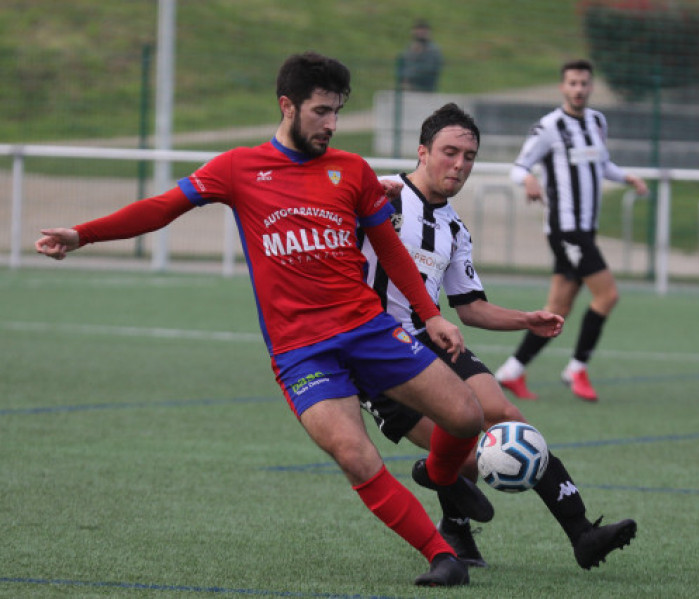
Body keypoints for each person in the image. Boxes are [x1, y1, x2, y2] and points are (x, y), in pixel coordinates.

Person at [33, 52, 493, 588]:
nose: (331, 124)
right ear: (287, 105)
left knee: (465, 416)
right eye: (321, 111)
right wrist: (82, 233)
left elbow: (389, 249)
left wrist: (431, 316)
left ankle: (441, 478)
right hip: (301, 350)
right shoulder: (237, 169)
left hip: (369, 329)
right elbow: (161, 207)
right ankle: (443, 556)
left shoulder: (353, 171)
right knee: (355, 456)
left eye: (338, 112)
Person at [358, 103, 638, 570]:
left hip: (429, 339)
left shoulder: (453, 227)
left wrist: (525, 319)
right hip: (374, 353)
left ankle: (583, 533)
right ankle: (452, 517)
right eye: (450, 152)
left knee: (508, 418)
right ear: (422, 152)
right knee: (465, 458)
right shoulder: (380, 195)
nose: (461, 164)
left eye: (469, 155)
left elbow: (468, 307)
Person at [495, 59, 648, 402]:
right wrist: (530, 179)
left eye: (584, 83)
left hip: (585, 230)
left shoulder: (596, 121)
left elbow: (602, 162)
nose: (579, 89)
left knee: (557, 310)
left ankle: (511, 371)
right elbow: (518, 168)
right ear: (563, 87)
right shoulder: (549, 126)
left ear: (591, 87)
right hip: (567, 231)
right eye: (573, 83)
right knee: (608, 296)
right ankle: (577, 367)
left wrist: (626, 177)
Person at [397, 18, 443, 92]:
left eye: (423, 29)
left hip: (424, 87)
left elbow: (429, 69)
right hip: (407, 87)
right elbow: (402, 65)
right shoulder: (409, 48)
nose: (420, 32)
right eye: (418, 29)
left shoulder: (433, 50)